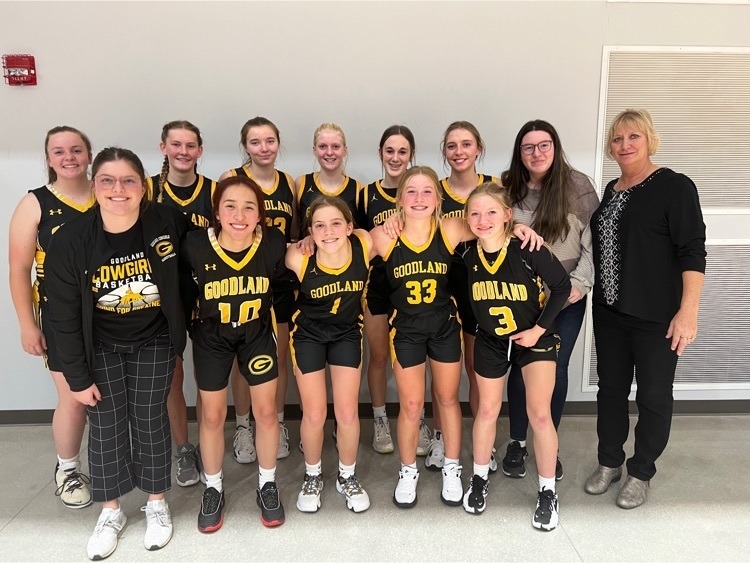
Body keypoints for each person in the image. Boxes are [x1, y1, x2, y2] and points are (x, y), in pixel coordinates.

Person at [45, 147, 191, 559]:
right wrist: (76, 375)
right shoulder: (71, 240)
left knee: (149, 419)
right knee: (107, 425)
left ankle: (156, 504)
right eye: (107, 180)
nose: (118, 189)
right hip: (100, 348)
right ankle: (111, 512)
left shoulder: (165, 222)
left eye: (128, 180)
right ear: (94, 186)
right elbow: (63, 315)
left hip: (155, 340)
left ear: (143, 187)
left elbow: (201, 252)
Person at [585, 109, 705, 509]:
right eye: (617, 139)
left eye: (633, 137)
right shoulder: (611, 189)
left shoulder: (675, 187)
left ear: (649, 139)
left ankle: (641, 472)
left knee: (654, 396)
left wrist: (688, 312)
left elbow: (692, 253)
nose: (625, 145)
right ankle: (610, 462)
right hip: (610, 313)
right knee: (611, 391)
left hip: (657, 317)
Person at [459, 183, 570, 532]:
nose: (483, 219)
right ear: (466, 219)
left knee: (539, 414)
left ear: (508, 215)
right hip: (492, 340)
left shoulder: (527, 247)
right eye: (475, 213)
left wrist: (538, 330)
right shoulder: (464, 253)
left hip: (533, 339)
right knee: (487, 410)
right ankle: (478, 478)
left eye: (492, 212)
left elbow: (562, 287)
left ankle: (548, 491)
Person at [184, 176, 287, 532]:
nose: (239, 214)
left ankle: (267, 483)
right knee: (212, 416)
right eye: (230, 205)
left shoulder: (273, 243)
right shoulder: (196, 245)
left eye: (249, 207)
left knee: (266, 412)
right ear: (216, 211)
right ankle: (213, 487)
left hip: (257, 332)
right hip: (212, 335)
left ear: (260, 214)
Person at [500, 120, 600, 481]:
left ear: (555, 148)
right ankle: (517, 441)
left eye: (544, 145)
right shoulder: (506, 187)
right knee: (521, 367)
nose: (537, 153)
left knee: (555, 370)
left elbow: (594, 245)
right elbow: (489, 226)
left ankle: (549, 444)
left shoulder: (579, 187)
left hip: (566, 298)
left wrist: (580, 284)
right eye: (529, 147)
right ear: (519, 152)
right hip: (521, 299)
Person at [9, 126, 95, 510]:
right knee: (73, 397)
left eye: (76, 150)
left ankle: (116, 462)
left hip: (109, 309)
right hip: (60, 314)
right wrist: (27, 324)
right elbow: (18, 268)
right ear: (48, 159)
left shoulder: (108, 191)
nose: (69, 157)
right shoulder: (35, 203)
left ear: (89, 154)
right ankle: (68, 468)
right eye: (59, 152)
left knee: (109, 395)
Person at [219, 117, 299, 463]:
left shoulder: (289, 183)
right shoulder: (230, 180)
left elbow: (293, 233)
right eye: (255, 142)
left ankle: (277, 422)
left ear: (278, 144)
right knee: (242, 359)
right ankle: (241, 425)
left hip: (277, 282)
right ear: (245, 146)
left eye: (269, 141)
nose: (263, 148)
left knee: (276, 358)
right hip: (240, 280)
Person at [286, 196, 372, 513]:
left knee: (347, 413)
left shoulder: (363, 242)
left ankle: (346, 477)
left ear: (350, 226)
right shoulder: (298, 256)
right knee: (315, 413)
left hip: (347, 332)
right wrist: (305, 239)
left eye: (336, 223)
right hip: (308, 334)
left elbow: (407, 225)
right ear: (309, 231)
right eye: (319, 225)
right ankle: (313, 475)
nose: (329, 231)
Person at [146, 119, 216, 488]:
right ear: (164, 148)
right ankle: (183, 448)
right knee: (174, 376)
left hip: (205, 293)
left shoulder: (215, 192)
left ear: (200, 151)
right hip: (160, 297)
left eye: (191, 146)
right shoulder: (145, 191)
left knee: (207, 377)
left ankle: (208, 442)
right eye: (176, 145)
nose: (183, 152)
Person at [428, 121, 499, 472]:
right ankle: (441, 437)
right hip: (442, 287)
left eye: (466, 144)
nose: (459, 151)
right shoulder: (434, 192)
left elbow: (509, 227)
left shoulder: (494, 187)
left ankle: (482, 442)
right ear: (445, 151)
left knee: (475, 370)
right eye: (452, 145)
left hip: (482, 291)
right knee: (445, 375)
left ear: (478, 149)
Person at [359, 125, 416, 455]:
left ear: (411, 156)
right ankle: (380, 418)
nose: (395, 157)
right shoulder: (366, 194)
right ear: (381, 153)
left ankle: (417, 417)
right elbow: (358, 242)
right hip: (378, 286)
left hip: (413, 286)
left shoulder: (422, 190)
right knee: (379, 356)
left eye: (402, 151)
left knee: (414, 359)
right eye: (389, 151)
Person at [296, 122, 362, 230]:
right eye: (323, 146)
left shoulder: (358, 189)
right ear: (314, 150)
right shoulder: (300, 184)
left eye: (335, 146)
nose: (329, 152)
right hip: (309, 247)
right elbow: (294, 233)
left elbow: (361, 234)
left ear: (345, 150)